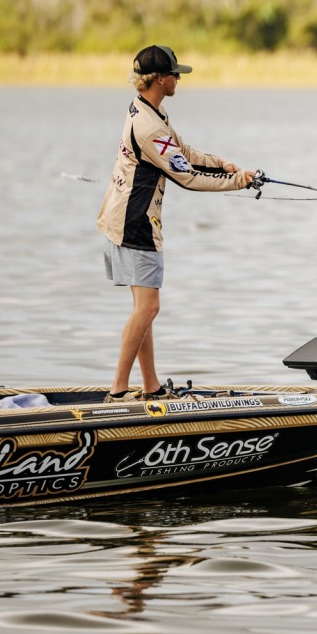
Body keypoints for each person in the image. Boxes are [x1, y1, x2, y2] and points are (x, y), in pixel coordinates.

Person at [97, 45, 255, 403]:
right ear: (160, 79)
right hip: (134, 223)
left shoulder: (149, 109)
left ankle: (150, 387)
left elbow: (182, 152)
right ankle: (118, 392)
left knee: (144, 309)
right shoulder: (149, 126)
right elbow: (187, 177)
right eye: (174, 74)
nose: (178, 79)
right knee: (149, 308)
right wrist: (238, 182)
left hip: (124, 217)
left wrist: (223, 164)